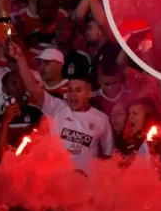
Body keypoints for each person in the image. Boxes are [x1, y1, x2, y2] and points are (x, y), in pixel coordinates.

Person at [10, 42, 113, 173]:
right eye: (70, 90)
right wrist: (20, 58)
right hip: (56, 180)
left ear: (89, 93)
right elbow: (33, 88)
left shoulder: (102, 119)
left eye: (78, 90)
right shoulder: (57, 108)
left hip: (86, 185)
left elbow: (109, 156)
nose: (73, 94)